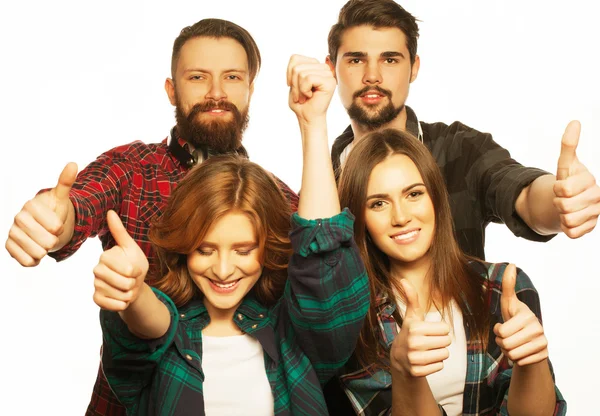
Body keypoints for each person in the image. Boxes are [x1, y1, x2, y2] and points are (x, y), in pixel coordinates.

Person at [5, 18, 298, 415]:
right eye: (198, 77)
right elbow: (82, 202)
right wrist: (56, 220)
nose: (216, 93)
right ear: (171, 90)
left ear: (249, 89)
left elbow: (318, 297)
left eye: (231, 77)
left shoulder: (278, 198)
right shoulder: (132, 169)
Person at [92, 51, 367, 414]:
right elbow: (150, 328)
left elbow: (324, 262)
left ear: (266, 248)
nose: (223, 270)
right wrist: (133, 292)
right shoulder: (168, 340)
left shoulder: (293, 340)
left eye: (242, 250)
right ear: (184, 248)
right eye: (205, 250)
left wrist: (313, 123)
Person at [324, 0, 599, 260]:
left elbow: (522, 195)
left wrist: (559, 200)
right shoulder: (323, 181)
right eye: (356, 60)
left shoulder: (460, 149)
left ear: (414, 68)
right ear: (332, 69)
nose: (373, 76)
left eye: (390, 60)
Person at [335, 128, 566, 415]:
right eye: (378, 203)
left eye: (414, 194)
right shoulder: (354, 318)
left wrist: (531, 363)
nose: (401, 217)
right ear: (360, 217)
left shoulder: (502, 288)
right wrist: (407, 375)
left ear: (436, 197)